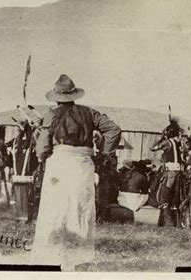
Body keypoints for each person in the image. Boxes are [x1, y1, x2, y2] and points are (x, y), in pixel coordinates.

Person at [32, 74, 121, 271]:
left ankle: (53, 260)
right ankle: (80, 262)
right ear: (74, 96)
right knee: (81, 210)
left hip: (58, 166)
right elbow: (114, 130)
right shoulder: (89, 113)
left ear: (56, 97)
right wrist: (103, 154)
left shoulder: (51, 115)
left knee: (55, 211)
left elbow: (42, 147)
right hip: (82, 166)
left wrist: (42, 157)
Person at [150, 119, 185, 226]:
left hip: (170, 174)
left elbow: (153, 148)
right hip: (179, 173)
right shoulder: (180, 144)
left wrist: (161, 137)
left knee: (163, 198)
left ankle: (168, 223)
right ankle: (178, 223)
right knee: (176, 199)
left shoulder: (167, 143)